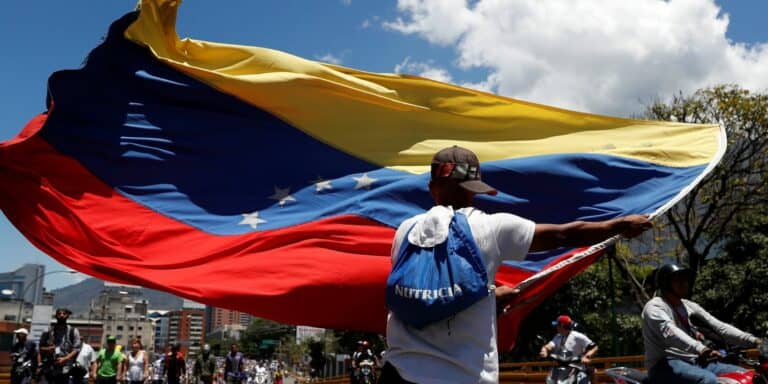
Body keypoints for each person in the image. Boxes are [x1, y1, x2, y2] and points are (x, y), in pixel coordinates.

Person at [379, 146, 652, 384]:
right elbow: (563, 234)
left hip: (398, 372)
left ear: (432, 188)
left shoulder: (405, 231)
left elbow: (427, 289)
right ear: (473, 189)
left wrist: (489, 295)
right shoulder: (491, 227)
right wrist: (619, 225)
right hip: (462, 375)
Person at [643, 263, 763, 384]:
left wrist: (755, 341)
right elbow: (671, 332)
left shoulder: (688, 306)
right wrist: (701, 348)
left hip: (695, 361)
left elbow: (719, 327)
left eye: (685, 279)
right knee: (707, 380)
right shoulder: (655, 307)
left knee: (746, 375)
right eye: (677, 280)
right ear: (665, 284)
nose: (684, 283)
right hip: (664, 364)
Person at [539, 315, 598, 383]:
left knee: (583, 380)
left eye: (557, 325)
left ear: (562, 326)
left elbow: (594, 347)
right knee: (550, 380)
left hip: (577, 367)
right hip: (561, 367)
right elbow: (549, 346)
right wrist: (544, 351)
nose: (556, 327)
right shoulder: (558, 336)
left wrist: (586, 356)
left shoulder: (578, 336)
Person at [39, 307, 82, 384]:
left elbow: (77, 349)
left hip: (66, 369)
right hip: (49, 367)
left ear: (67, 316)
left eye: (64, 314)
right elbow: (40, 348)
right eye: (59, 313)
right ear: (56, 316)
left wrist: (65, 358)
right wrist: (48, 349)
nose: (61, 315)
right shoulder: (48, 330)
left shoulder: (73, 331)